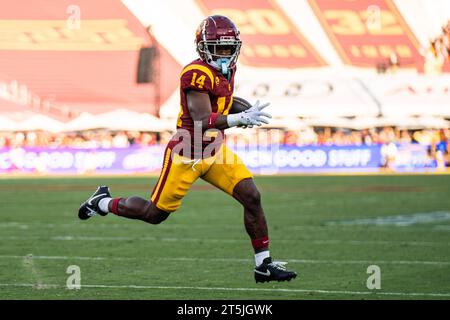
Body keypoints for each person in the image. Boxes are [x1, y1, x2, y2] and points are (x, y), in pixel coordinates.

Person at [78, 15, 297, 283]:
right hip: (187, 152)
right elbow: (202, 119)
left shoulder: (226, 70)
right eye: (219, 48)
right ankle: (101, 202)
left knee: (252, 196)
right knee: (154, 214)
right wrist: (239, 119)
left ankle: (263, 265)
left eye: (229, 48)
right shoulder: (196, 73)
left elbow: (225, 100)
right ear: (203, 47)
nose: (225, 54)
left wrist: (246, 109)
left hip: (215, 150)